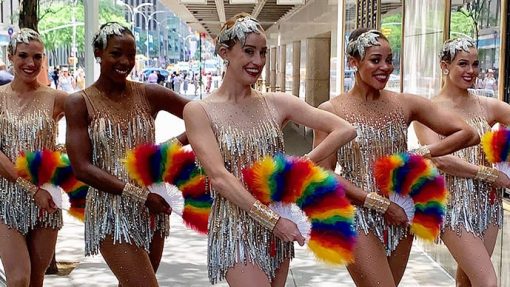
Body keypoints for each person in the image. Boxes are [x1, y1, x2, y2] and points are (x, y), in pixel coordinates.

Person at [183, 13, 357, 286]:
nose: (258, 62)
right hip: (235, 228)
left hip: (277, 226)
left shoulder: (276, 103)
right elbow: (218, 177)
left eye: (263, 53)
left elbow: (346, 129)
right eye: (249, 51)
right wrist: (272, 221)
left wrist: (299, 167)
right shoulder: (199, 110)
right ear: (224, 52)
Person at [314, 29, 478, 287]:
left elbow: (468, 133)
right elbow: (324, 173)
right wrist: (380, 205)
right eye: (375, 60)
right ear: (353, 62)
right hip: (357, 213)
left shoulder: (405, 103)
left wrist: (420, 154)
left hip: (403, 212)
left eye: (390, 60)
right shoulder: (331, 110)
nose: (385, 67)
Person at [65, 22, 189, 286]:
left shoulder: (149, 94)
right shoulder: (79, 102)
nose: (125, 61)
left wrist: (165, 152)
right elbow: (82, 167)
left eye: (131, 55)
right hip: (111, 212)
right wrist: (140, 196)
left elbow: (200, 116)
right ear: (98, 53)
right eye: (116, 53)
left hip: (153, 208)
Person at [414, 37, 510, 287]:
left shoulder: (487, 105)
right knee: (487, 281)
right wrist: (490, 175)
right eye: (463, 64)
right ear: (444, 66)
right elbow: (440, 159)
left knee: (468, 281)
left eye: (475, 64)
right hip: (453, 205)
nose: (471, 71)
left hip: (488, 204)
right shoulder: (428, 110)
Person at [0, 28, 67, 287]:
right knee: (19, 279)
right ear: (11, 56)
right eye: (23, 56)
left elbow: (90, 129)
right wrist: (31, 190)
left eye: (37, 57)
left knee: (36, 280)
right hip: (7, 199)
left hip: (47, 199)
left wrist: (62, 155)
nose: (30, 63)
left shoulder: (58, 98)